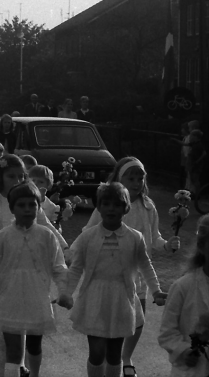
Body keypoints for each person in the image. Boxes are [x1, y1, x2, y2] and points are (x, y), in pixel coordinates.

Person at [83, 157, 181, 375]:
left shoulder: (148, 206)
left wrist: (167, 246)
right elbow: (88, 232)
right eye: (131, 178)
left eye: (140, 178)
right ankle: (113, 360)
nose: (136, 182)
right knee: (111, 323)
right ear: (120, 178)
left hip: (139, 276)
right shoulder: (109, 203)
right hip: (113, 275)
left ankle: (125, 357)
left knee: (137, 321)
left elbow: (154, 238)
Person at [0, 182, 68, 377]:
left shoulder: (47, 236)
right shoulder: (2, 237)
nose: (27, 209)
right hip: (9, 300)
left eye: (32, 204)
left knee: (35, 346)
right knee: (13, 352)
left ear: (38, 207)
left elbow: (59, 267)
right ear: (12, 208)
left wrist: (63, 291)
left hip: (37, 300)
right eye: (22, 205)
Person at [63, 182, 165, 377]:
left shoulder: (135, 237)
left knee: (114, 353)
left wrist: (157, 290)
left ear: (126, 208)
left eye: (118, 204)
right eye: (106, 204)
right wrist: (67, 293)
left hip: (122, 300)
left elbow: (145, 266)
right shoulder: (88, 237)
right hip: (94, 299)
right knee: (96, 352)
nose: (112, 208)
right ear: (99, 207)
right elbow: (76, 268)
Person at [158, 214, 209, 377]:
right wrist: (184, 351)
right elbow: (167, 332)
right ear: (202, 247)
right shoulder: (183, 286)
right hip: (192, 370)